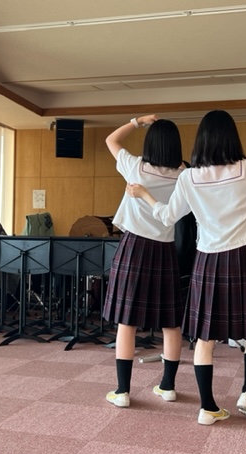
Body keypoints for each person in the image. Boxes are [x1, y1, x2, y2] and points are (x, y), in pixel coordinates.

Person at [126, 110, 246, 425]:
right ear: (232, 137)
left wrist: (144, 195)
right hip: (242, 256)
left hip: (207, 259)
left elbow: (167, 216)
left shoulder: (189, 177)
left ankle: (207, 407)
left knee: (205, 337)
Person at [103, 114, 186, 408]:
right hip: (165, 249)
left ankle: (122, 392)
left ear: (150, 143)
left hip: (134, 247)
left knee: (127, 321)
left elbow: (111, 140)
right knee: (170, 322)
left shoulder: (136, 167)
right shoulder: (184, 175)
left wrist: (137, 121)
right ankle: (168, 387)